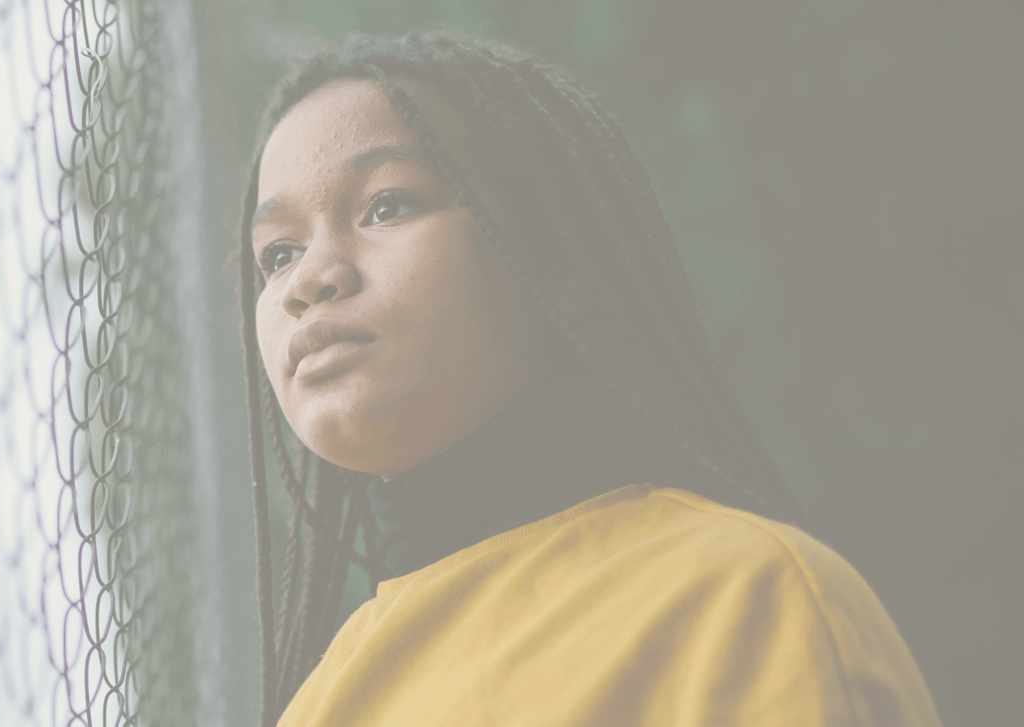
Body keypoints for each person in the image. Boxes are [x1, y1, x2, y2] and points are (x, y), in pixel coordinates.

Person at [234, 33, 940, 726]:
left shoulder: (746, 597)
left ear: (553, 257)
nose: (309, 280)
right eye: (279, 253)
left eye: (388, 205)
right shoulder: (320, 701)